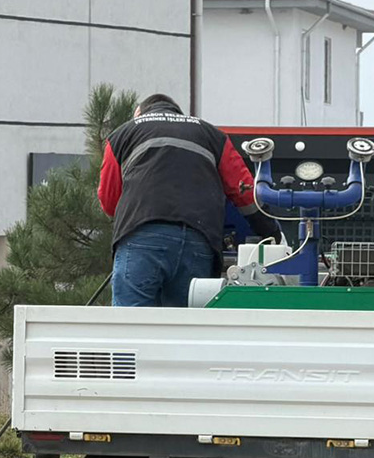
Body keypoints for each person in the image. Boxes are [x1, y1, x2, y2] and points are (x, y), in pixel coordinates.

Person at [97, 93, 281, 307]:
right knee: (186, 328)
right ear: (178, 113)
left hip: (142, 239)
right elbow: (246, 192)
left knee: (131, 326)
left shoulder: (123, 133)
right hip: (197, 241)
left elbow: (109, 200)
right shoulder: (210, 134)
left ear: (139, 113)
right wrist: (272, 233)